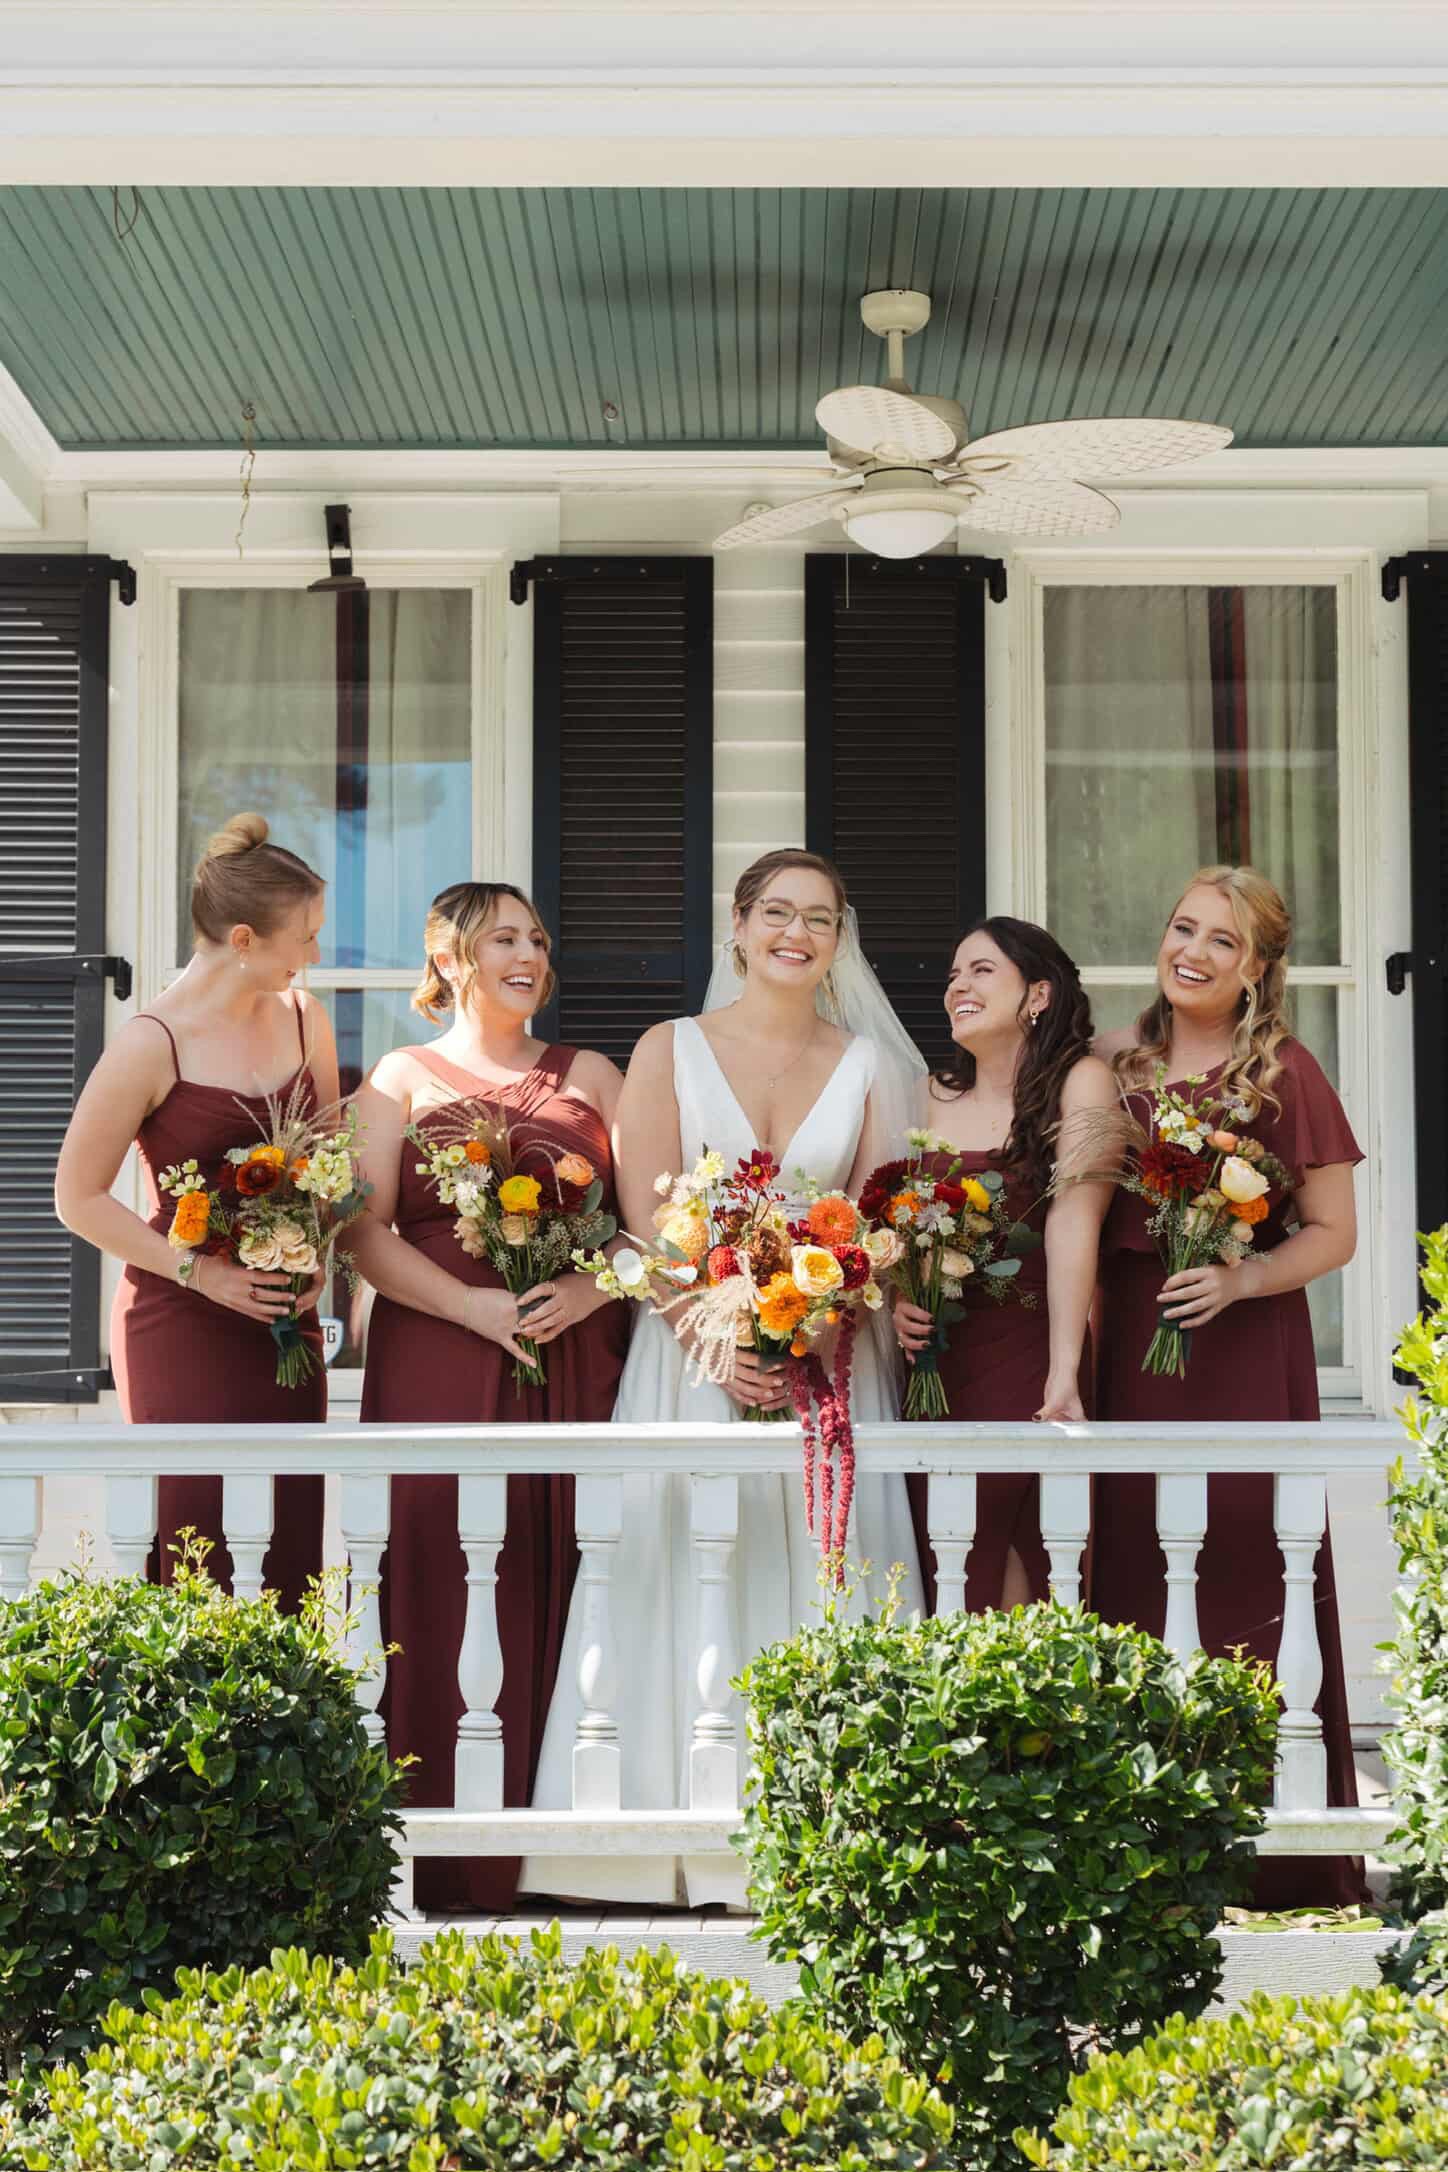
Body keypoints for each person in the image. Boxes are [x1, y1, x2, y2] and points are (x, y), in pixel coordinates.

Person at [523, 848, 926, 1907]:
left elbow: (878, 1227)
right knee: (673, 1554)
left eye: (820, 919)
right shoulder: (668, 1048)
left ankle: (825, 1836)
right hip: (687, 1353)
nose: (797, 933)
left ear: (838, 942)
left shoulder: (873, 1067)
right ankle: (650, 1846)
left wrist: (820, 1316)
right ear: (739, 927)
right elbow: (641, 1223)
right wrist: (710, 1329)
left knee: (820, 1566)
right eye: (777, 913)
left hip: (827, 1363)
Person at [349, 880, 629, 1913]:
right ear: (449, 956)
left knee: (568, 1560)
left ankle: (565, 1856)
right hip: (438, 1352)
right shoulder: (397, 1079)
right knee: (439, 1567)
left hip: (570, 1354)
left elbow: (650, 1225)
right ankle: (443, 1861)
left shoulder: (593, 1074)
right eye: (503, 937)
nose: (528, 954)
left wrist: (589, 1284)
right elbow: (363, 1233)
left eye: (538, 939)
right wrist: (471, 1312)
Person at [1090, 863, 1364, 1907]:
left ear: (1254, 970)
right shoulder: (1112, 1067)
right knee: (1129, 1565)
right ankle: (1133, 1840)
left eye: (1219, 942)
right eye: (1180, 928)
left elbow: (1334, 1234)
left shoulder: (1285, 1072)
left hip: (1243, 1352)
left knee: (1252, 1566)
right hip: (1133, 1348)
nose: (1190, 953)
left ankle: (1273, 1850)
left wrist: (1244, 1273)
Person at [55, 811, 332, 1607]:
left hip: (285, 1323)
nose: (315, 956)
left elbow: (327, 1158)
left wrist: (319, 1255)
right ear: (244, 940)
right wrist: (203, 1277)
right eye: (304, 937)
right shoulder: (150, 1042)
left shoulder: (306, 1019)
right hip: (180, 1322)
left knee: (286, 1545)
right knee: (191, 1544)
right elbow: (75, 1197)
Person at [895, 918, 1117, 1610]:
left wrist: (1062, 1375)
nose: (958, 986)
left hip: (1029, 1346)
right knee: (942, 1539)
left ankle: (1023, 1716)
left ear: (1038, 994)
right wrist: (894, 1293)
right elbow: (886, 1222)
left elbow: (1074, 1224)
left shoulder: (1080, 1082)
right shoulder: (926, 1092)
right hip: (932, 1359)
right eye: (954, 975)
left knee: (1018, 1532)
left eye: (981, 970)